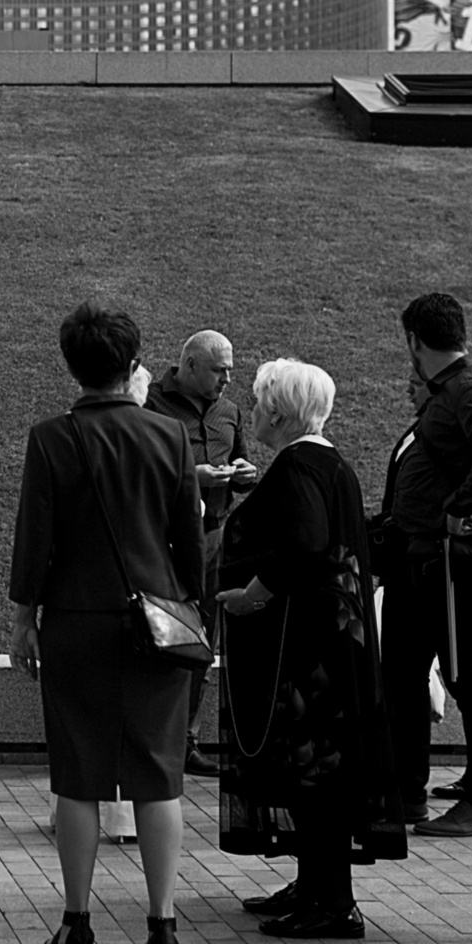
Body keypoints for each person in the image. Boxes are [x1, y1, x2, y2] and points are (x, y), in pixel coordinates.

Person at [9, 299, 205, 944]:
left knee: (79, 776)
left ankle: (77, 923)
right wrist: (188, 603)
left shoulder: (50, 439)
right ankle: (163, 928)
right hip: (159, 623)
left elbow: (35, 537)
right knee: (159, 776)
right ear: (133, 362)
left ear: (73, 365)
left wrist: (24, 618)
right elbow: (188, 539)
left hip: (76, 622)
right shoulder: (170, 435)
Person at [214, 359, 406, 940]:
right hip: (338, 643)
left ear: (278, 412)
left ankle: (333, 901)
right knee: (318, 768)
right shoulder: (330, 462)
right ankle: (315, 884)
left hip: (311, 651)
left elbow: (306, 543)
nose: (255, 410)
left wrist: (252, 594)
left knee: (314, 768)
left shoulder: (297, 465)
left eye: (260, 401)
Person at [378, 292, 472, 838]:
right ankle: (405, 793)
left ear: (414, 340)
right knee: (403, 676)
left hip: (448, 564)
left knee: (468, 677)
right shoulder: (453, 390)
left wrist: (459, 508)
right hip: (420, 562)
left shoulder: (469, 388)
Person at [144, 331, 261, 778]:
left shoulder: (228, 411)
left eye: (230, 370)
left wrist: (245, 475)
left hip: (213, 539)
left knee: (202, 643)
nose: (228, 379)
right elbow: (140, 471)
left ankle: (185, 742)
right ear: (190, 365)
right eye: (219, 370)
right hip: (165, 541)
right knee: (161, 635)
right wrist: (193, 476)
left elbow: (242, 465)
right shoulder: (151, 403)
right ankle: (151, 736)